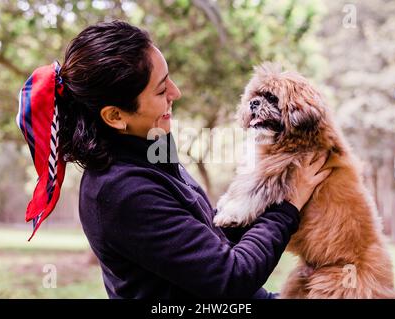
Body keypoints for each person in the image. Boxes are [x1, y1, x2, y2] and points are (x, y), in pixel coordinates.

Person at [17, 20, 331, 299]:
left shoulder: (152, 148)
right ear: (115, 116)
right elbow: (230, 279)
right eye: (160, 89)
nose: (176, 93)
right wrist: (287, 207)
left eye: (170, 78)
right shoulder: (119, 192)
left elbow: (210, 235)